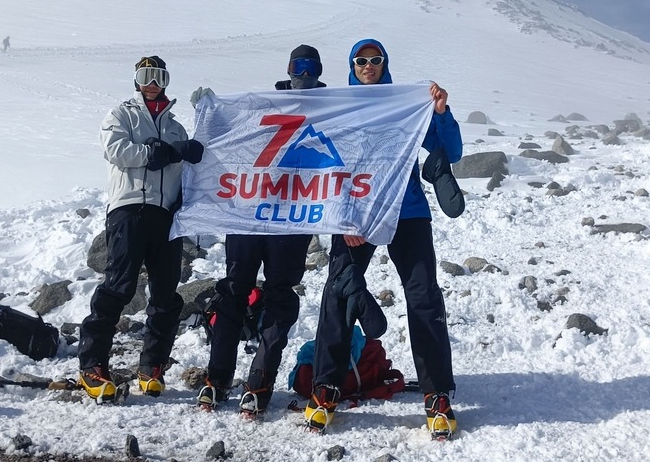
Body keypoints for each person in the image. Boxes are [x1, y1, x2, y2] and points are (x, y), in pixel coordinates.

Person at [304, 39, 463, 440]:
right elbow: (328, 165)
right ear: (352, 65)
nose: (368, 65)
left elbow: (451, 150)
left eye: (375, 60)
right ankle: (326, 386)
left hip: (407, 210)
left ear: (384, 63)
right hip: (356, 215)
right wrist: (343, 218)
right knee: (339, 293)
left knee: (424, 296)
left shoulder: (405, 103)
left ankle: (437, 393)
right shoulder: (341, 108)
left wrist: (441, 113)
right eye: (361, 60)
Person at [195, 44, 327, 419]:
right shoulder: (264, 106)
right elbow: (228, 137)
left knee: (280, 297)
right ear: (288, 68)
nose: (305, 73)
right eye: (299, 66)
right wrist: (208, 112)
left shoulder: (333, 108)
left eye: (312, 67)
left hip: (293, 222)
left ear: (320, 71)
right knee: (233, 291)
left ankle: (260, 382)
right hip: (249, 215)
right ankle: (217, 378)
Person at [77, 55, 205, 403]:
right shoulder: (121, 115)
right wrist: (156, 153)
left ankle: (152, 366)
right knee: (118, 287)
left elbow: (184, 170)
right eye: (146, 75)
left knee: (165, 293)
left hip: (166, 215)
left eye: (158, 76)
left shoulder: (176, 127)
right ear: (136, 80)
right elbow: (116, 150)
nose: (152, 83)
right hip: (129, 209)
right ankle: (92, 364)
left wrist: (192, 160)